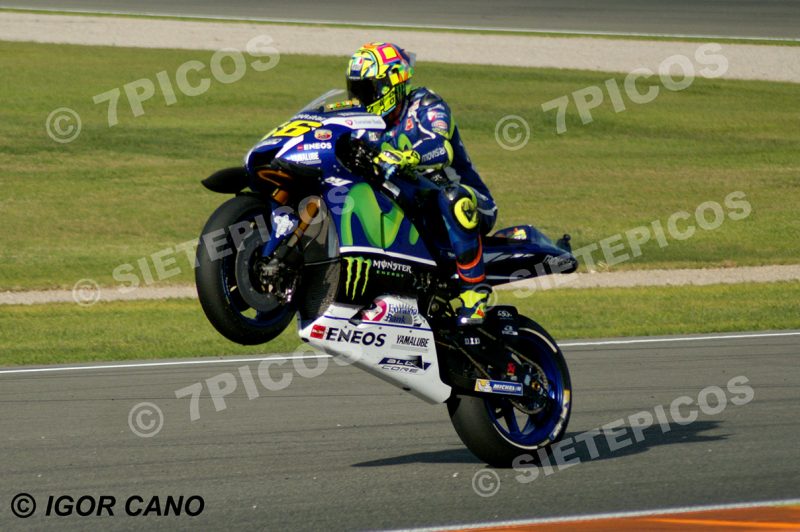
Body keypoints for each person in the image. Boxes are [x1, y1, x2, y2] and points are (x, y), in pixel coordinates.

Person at [345, 42, 498, 328]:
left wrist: (409, 155)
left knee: (454, 198)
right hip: (419, 203)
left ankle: (474, 293)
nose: (359, 98)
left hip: (464, 198)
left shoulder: (426, 104)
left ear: (391, 85)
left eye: (366, 90)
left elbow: (441, 147)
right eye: (355, 90)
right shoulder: (366, 121)